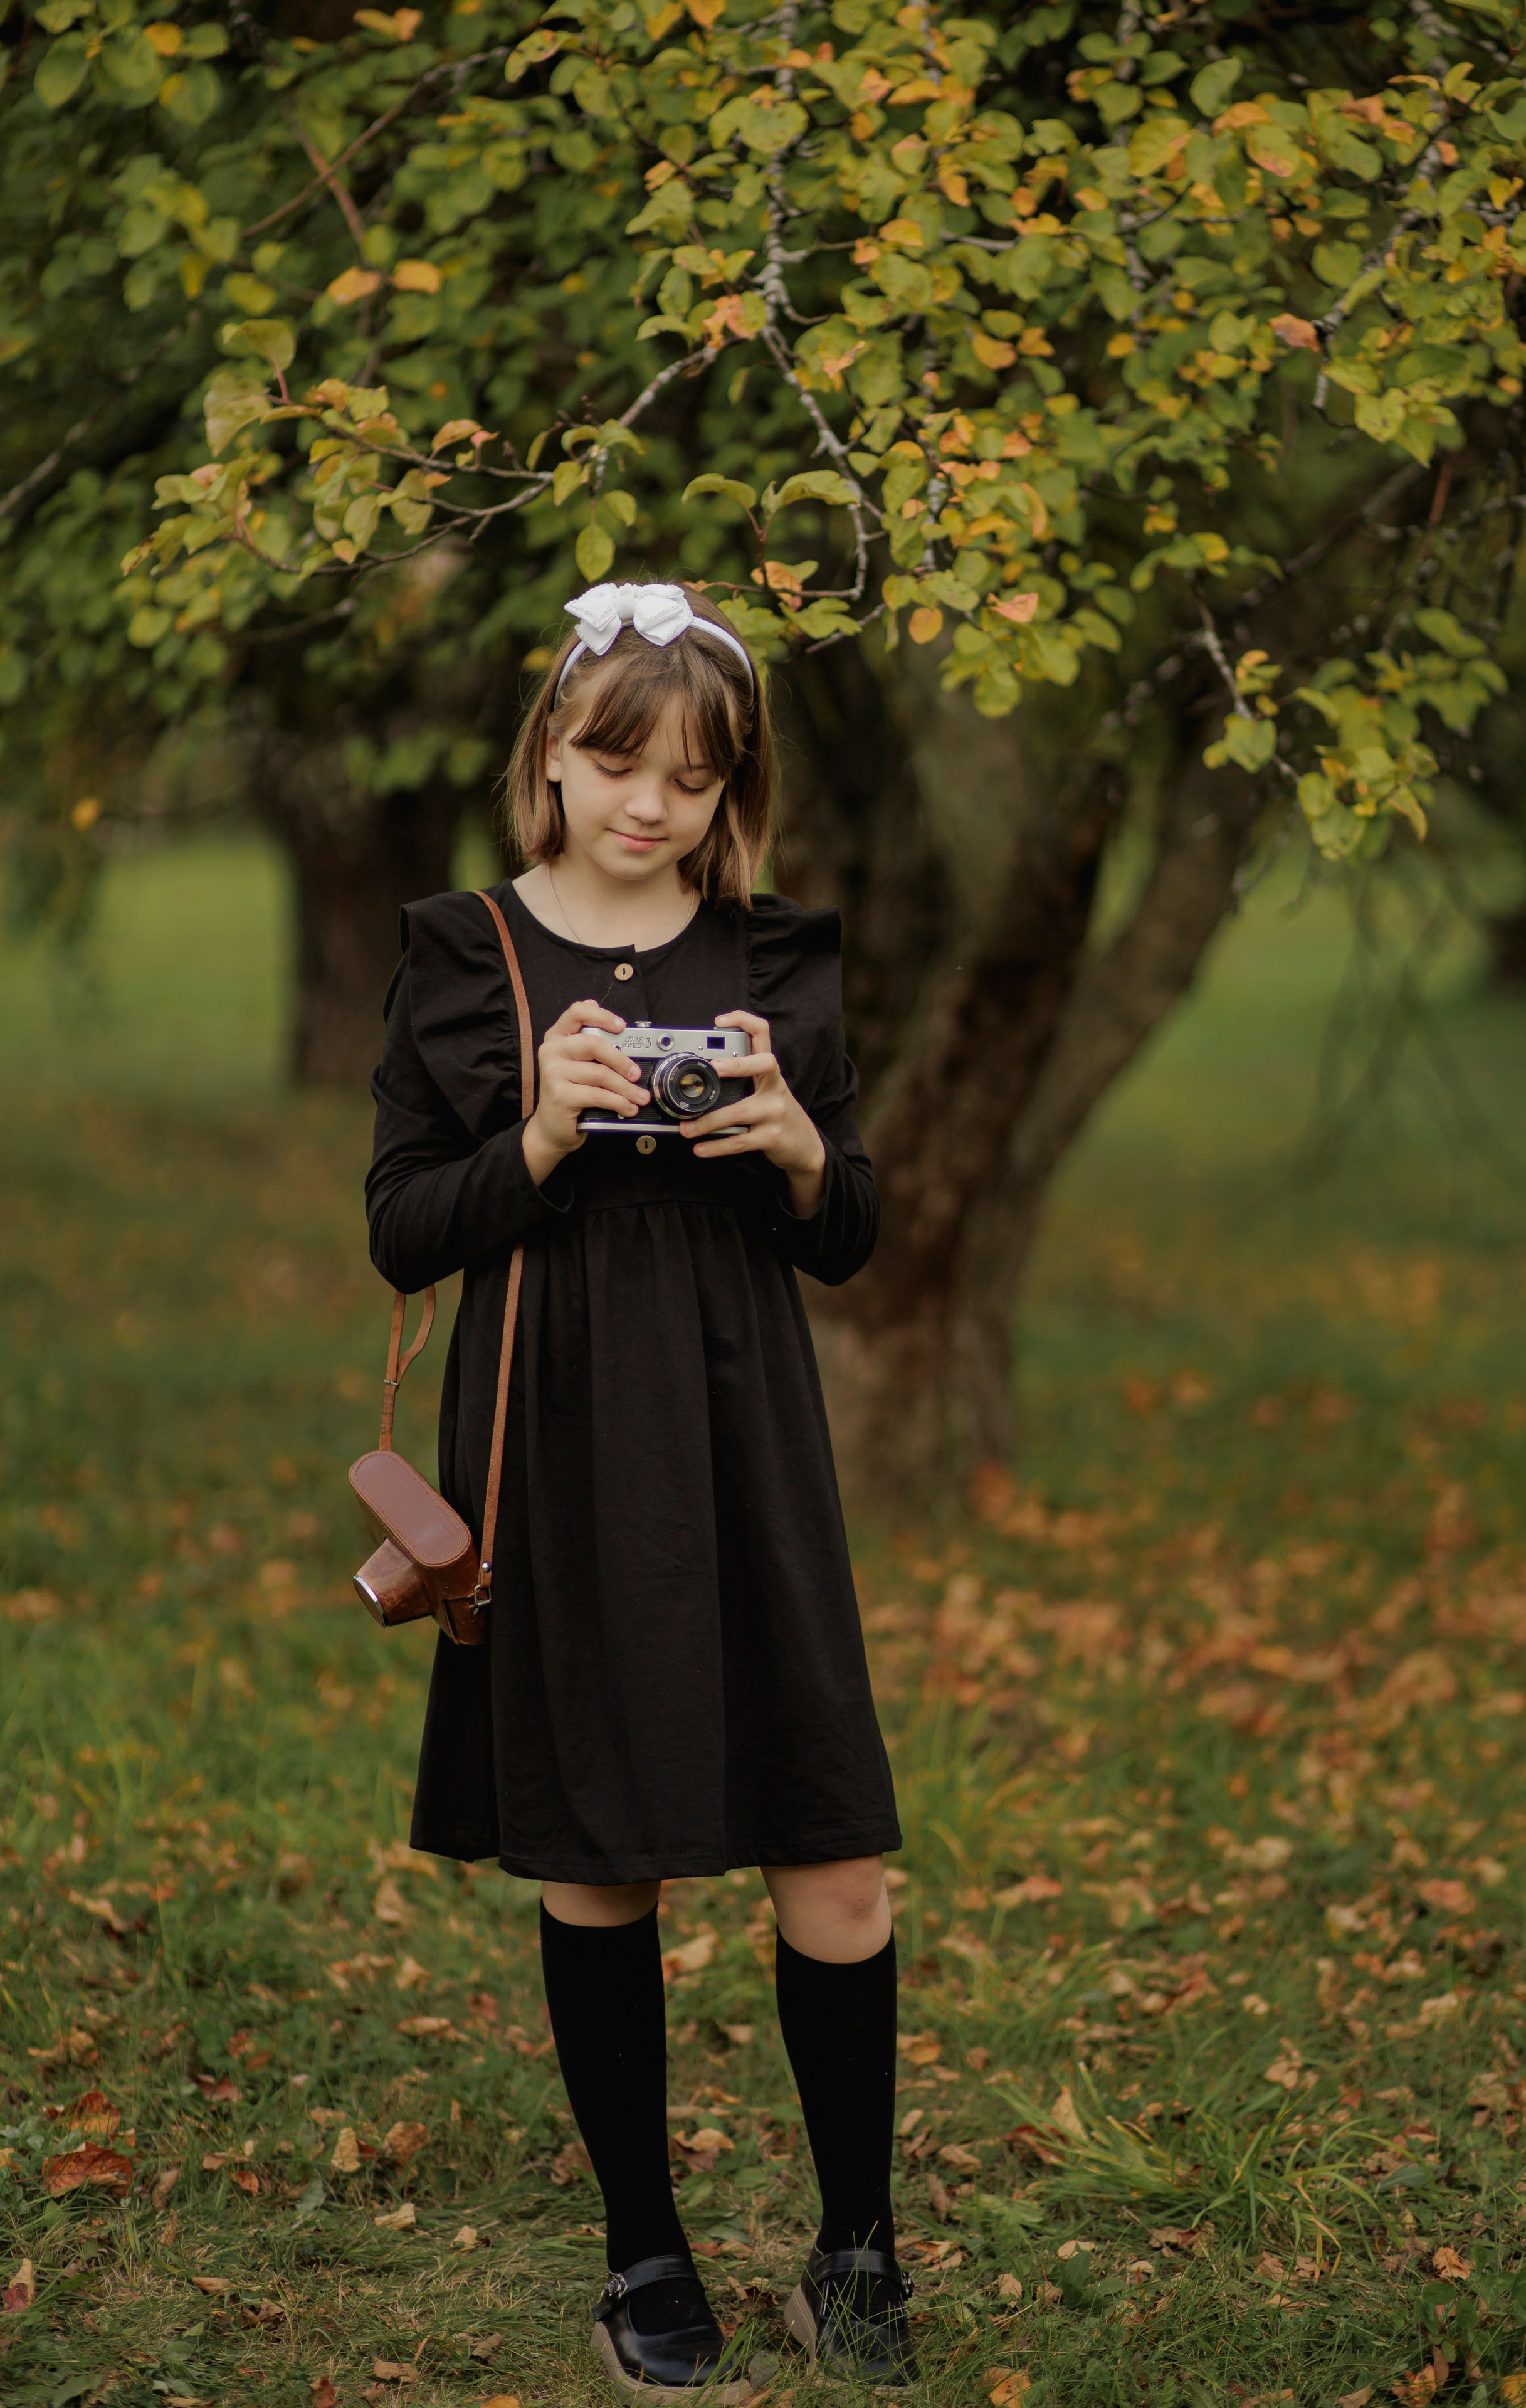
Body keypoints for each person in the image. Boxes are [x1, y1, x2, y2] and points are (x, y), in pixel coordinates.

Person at [365, 580, 915, 2396]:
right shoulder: (467, 953)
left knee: (838, 1862)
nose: (649, 807)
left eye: (690, 775)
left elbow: (850, 1239)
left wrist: (799, 1147)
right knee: (605, 1862)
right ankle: (644, 2253)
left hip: (748, 1439)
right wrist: (531, 1135)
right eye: (614, 762)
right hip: (568, 1443)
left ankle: (857, 2250)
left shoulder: (771, 958)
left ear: (728, 785)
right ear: (550, 754)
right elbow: (398, 1234)